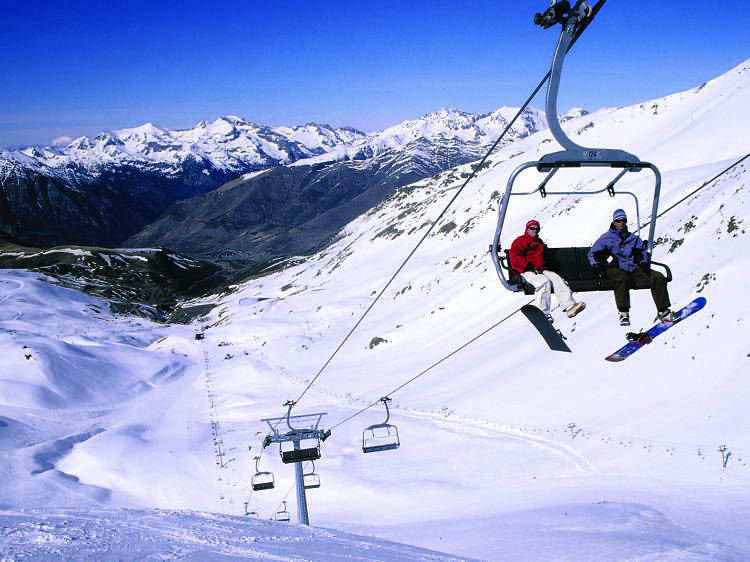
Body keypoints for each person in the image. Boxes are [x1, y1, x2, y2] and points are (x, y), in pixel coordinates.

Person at [588, 208, 679, 327]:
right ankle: (623, 312)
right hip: (615, 267)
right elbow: (592, 253)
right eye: (618, 221)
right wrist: (596, 265)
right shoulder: (606, 238)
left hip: (632, 266)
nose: (621, 223)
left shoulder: (633, 238)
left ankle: (663, 310)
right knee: (622, 278)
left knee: (657, 276)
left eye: (623, 220)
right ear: (614, 222)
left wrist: (644, 262)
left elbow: (641, 252)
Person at [509, 219, 585, 323]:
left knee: (558, 280)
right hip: (524, 271)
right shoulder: (520, 241)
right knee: (543, 283)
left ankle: (569, 306)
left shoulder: (539, 242)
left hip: (540, 269)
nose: (535, 231)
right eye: (532, 228)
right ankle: (543, 313)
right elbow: (514, 256)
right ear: (527, 229)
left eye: (537, 229)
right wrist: (528, 266)